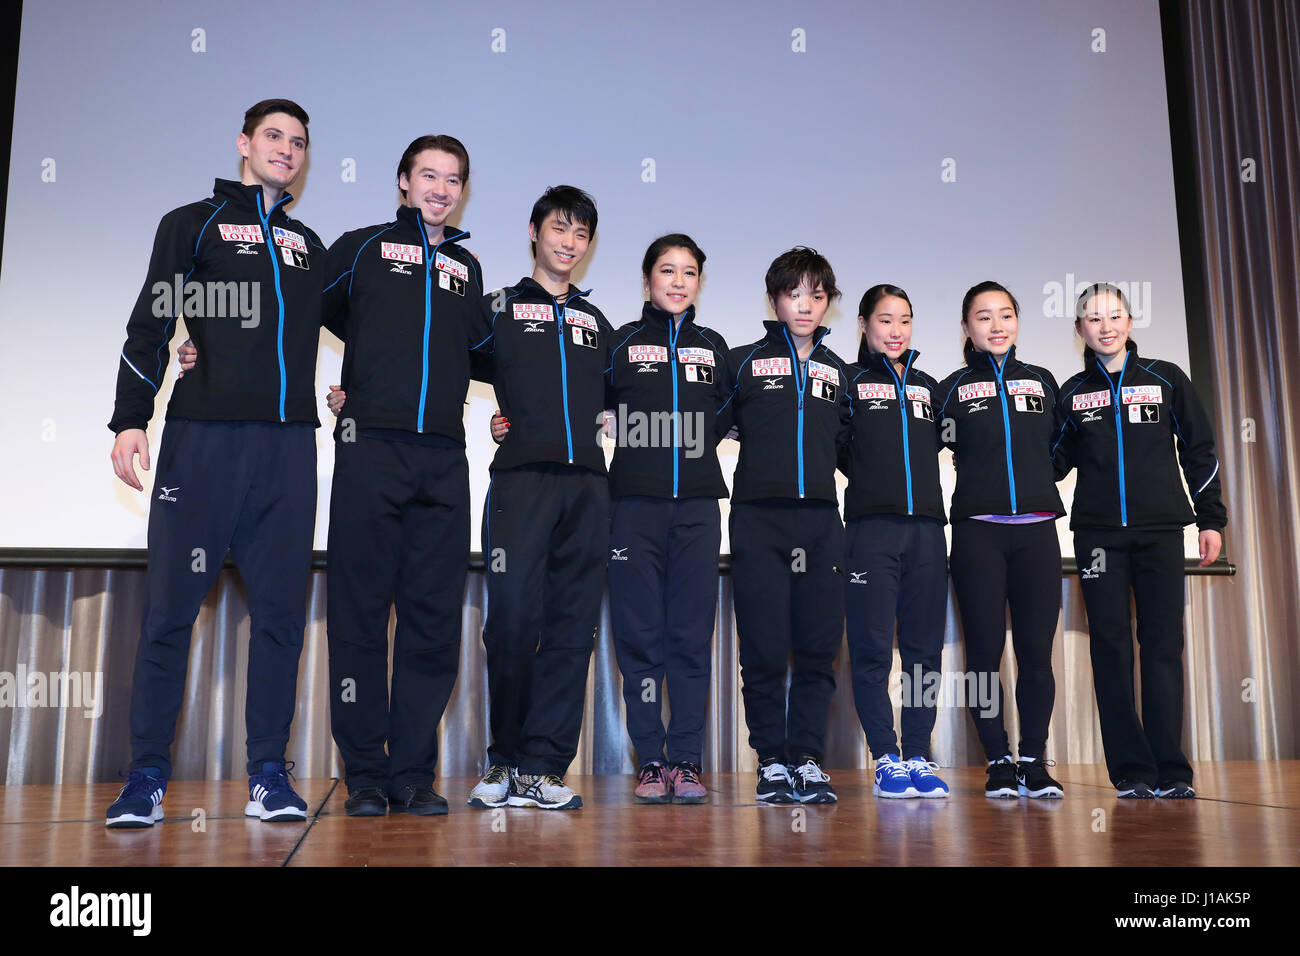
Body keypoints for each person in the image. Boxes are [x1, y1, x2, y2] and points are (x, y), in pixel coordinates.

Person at [105, 99, 324, 827]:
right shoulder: (190, 223)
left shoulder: (308, 244)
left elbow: (376, 326)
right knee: (169, 613)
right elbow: (154, 320)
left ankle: (269, 774)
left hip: (287, 447)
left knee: (281, 620)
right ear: (244, 144)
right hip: (200, 443)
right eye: (273, 137)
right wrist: (131, 417)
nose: (286, 150)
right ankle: (145, 778)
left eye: (298, 142)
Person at [497, 234, 731, 803]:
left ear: (700, 282)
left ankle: (688, 759)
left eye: (690, 272)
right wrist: (514, 423)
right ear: (647, 279)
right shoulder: (619, 342)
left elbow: (728, 415)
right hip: (630, 507)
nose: (678, 281)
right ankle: (651, 760)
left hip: (699, 508)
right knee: (640, 639)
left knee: (691, 639)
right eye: (667, 270)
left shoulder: (716, 347)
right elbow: (572, 400)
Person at [466, 186, 614, 811]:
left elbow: (633, 394)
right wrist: (355, 396)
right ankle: (504, 759)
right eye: (559, 229)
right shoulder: (496, 306)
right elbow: (432, 356)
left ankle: (546, 767)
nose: (569, 244)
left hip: (587, 486)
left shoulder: (599, 322)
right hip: (521, 482)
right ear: (534, 231)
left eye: (581, 235)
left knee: (570, 630)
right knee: (512, 623)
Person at [1053, 282, 1225, 798]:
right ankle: (1130, 771)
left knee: (1163, 646)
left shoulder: (1166, 379)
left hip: (1160, 533)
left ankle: (1172, 770)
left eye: (1114, 315)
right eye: (1093, 318)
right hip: (1098, 538)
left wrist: (1210, 519)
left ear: (1130, 322)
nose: (1105, 326)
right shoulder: (1070, 394)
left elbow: (1201, 449)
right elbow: (1051, 463)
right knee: (1110, 648)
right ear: (1079, 329)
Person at [719, 247, 852, 804]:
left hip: (823, 522)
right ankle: (771, 759)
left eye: (817, 295)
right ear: (774, 299)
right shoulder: (743, 360)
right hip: (758, 520)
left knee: (819, 648)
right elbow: (707, 424)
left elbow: (854, 447)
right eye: (794, 293)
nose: (806, 305)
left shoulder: (839, 370)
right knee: (766, 649)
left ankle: (807, 758)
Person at [936, 281, 1066, 799]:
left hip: (1037, 533)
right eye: (983, 317)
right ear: (967, 328)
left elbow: (1061, 446)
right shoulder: (950, 388)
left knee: (1036, 652)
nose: (996, 325)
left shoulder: (1042, 382)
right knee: (984, 653)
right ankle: (998, 760)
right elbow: (933, 443)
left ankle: (1034, 760)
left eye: (1006, 315)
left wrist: (1035, 481)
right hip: (978, 535)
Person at [841, 285, 950, 798]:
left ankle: (919, 755)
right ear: (863, 324)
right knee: (872, 650)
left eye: (904, 320)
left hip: (928, 531)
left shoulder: (931, 388)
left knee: (924, 651)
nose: (896, 331)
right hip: (870, 532)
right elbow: (835, 448)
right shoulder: (847, 382)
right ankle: (885, 756)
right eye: (884, 320)